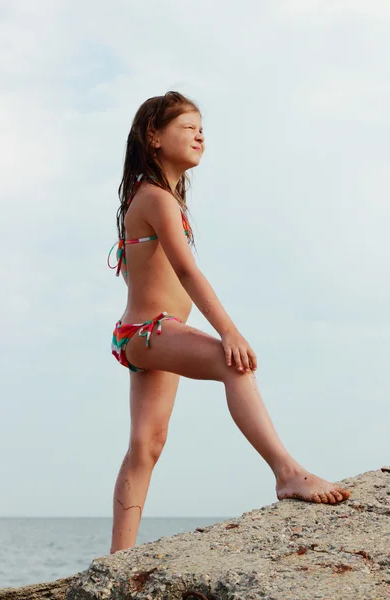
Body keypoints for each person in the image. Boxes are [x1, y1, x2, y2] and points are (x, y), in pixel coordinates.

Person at [107, 91, 351, 554]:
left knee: (147, 445)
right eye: (188, 127)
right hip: (152, 331)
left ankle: (119, 558)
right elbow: (186, 272)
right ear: (154, 137)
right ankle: (286, 472)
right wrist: (229, 332)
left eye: (203, 129)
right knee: (232, 362)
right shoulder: (156, 197)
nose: (200, 136)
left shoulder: (154, 195)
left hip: (141, 335)